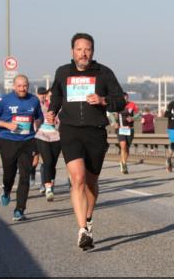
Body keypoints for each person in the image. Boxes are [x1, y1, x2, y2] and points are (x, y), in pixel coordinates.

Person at [47, 33, 125, 251]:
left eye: (87, 49)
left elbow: (121, 101)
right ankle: (82, 229)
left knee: (90, 183)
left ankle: (88, 219)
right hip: (70, 130)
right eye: (79, 49)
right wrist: (52, 111)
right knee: (78, 178)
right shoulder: (63, 72)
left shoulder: (104, 73)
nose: (83, 53)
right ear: (72, 51)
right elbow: (56, 96)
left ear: (93, 51)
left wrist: (103, 100)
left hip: (96, 132)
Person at [0, 74, 43, 221]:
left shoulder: (34, 100)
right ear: (14, 86)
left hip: (27, 140)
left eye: (25, 85)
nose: (22, 88)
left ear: (28, 85)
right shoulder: (4, 100)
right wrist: (6, 125)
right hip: (8, 140)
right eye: (19, 86)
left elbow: (39, 116)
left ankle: (19, 209)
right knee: (9, 174)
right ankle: (6, 190)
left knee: (25, 175)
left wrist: (38, 122)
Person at [35, 87, 62, 201]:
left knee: (53, 164)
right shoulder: (40, 106)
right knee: (48, 161)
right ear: (46, 96)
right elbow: (34, 118)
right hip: (42, 136)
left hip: (56, 137)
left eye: (54, 96)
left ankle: (51, 183)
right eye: (50, 96)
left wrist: (58, 121)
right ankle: (48, 188)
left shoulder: (61, 107)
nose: (52, 98)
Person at [115, 94, 139, 174]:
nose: (125, 99)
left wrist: (133, 118)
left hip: (130, 129)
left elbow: (139, 114)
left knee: (127, 149)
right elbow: (110, 114)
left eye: (126, 98)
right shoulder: (117, 106)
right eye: (123, 98)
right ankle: (124, 164)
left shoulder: (132, 104)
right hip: (120, 129)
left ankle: (122, 161)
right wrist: (114, 122)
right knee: (123, 145)